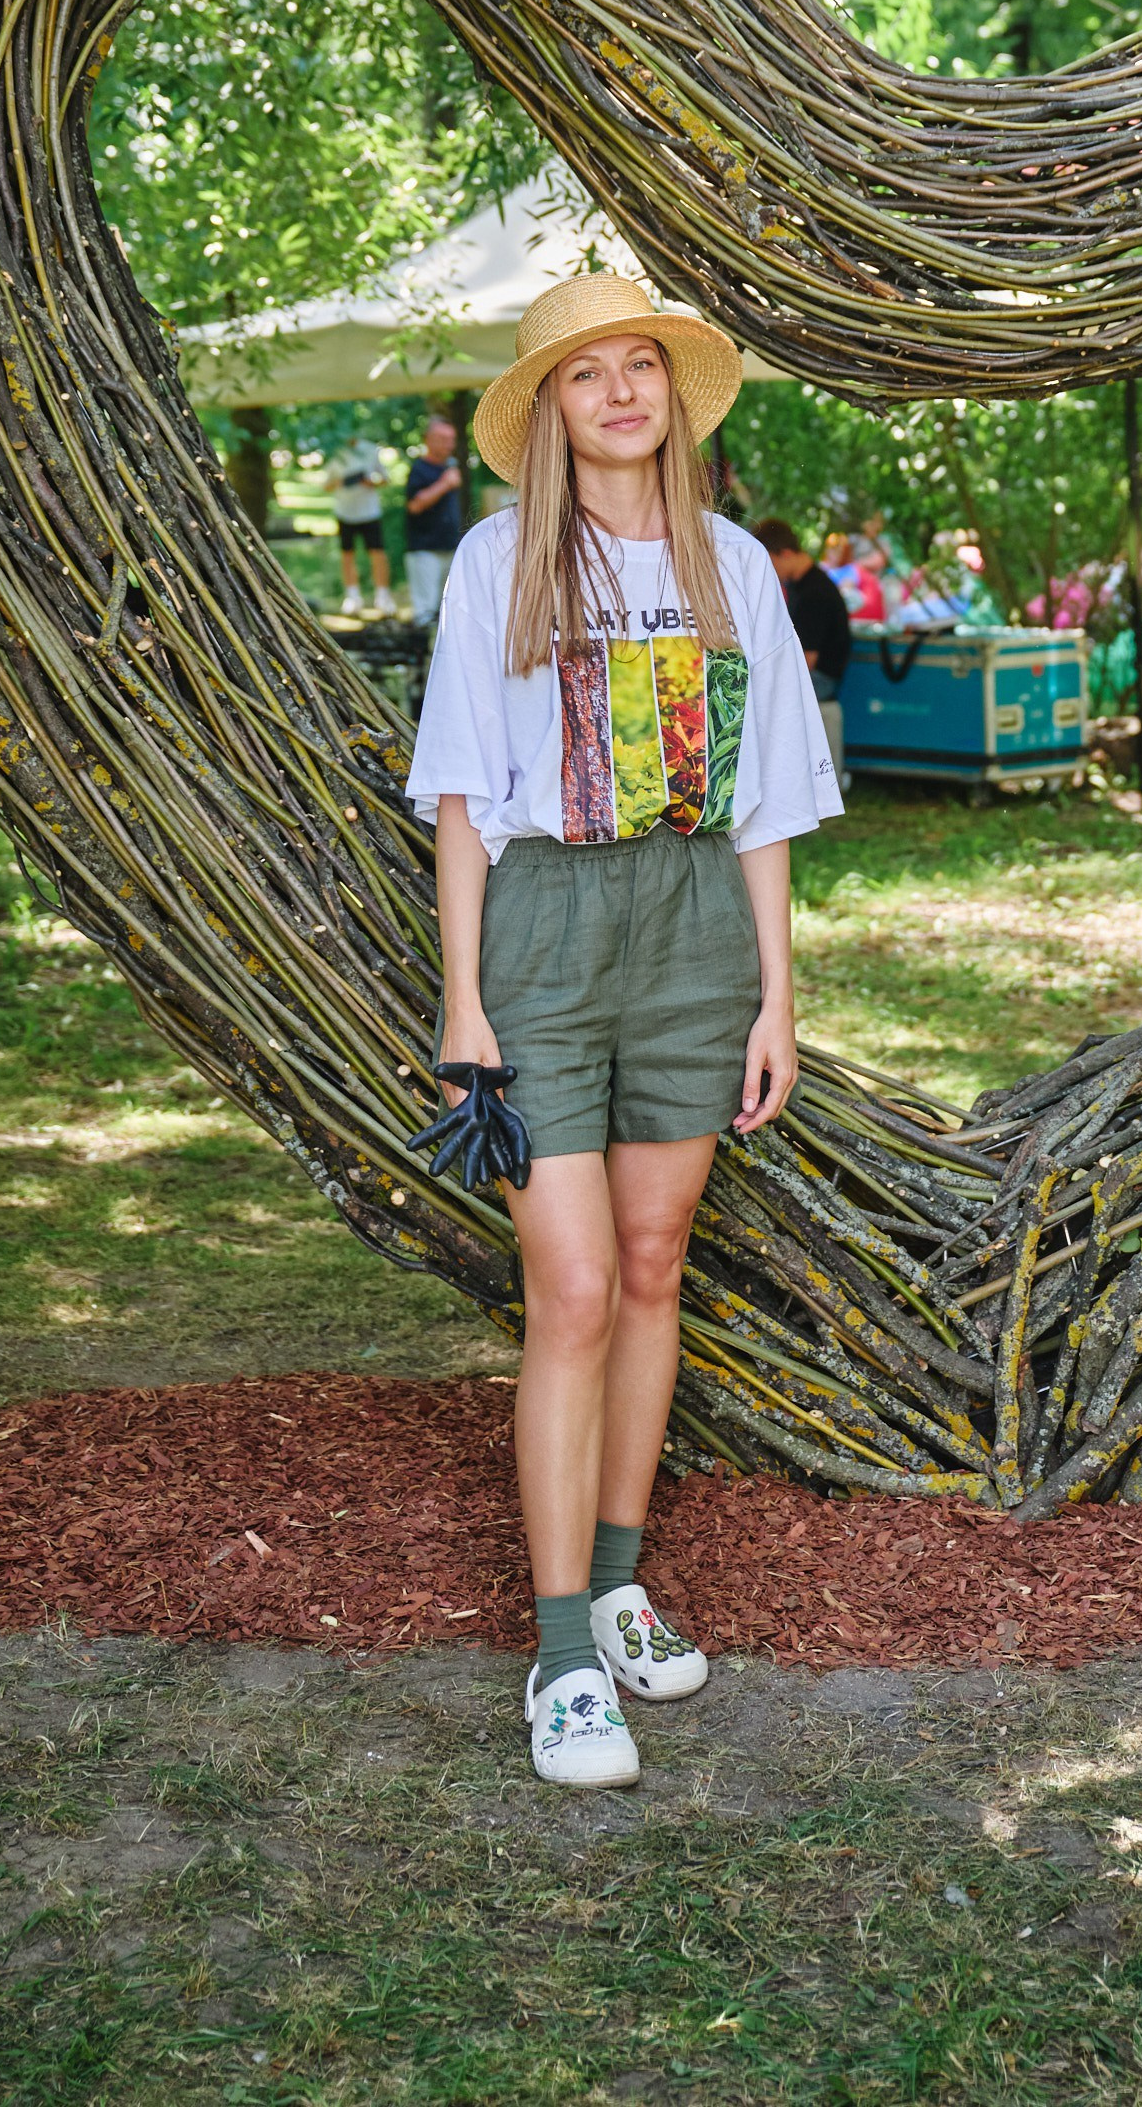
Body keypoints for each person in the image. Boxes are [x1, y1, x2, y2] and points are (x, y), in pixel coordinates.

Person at [405, 273, 842, 1792]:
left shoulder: (730, 564)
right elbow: (464, 799)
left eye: (640, 366)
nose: (619, 392)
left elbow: (771, 799)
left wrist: (776, 994)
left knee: (655, 1267)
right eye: (586, 374)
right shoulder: (498, 562)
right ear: (551, 412)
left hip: (693, 939)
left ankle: (621, 1578)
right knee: (575, 1286)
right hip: (542, 936)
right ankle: (563, 1654)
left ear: (674, 394)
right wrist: (466, 1002)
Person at [754, 519, 853, 793]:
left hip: (821, 678)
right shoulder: (801, 585)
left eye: (770, 562)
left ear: (785, 554)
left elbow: (805, 662)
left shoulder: (814, 593)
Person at [404, 413, 465, 626]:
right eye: (442, 439)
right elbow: (414, 505)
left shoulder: (449, 467)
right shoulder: (420, 469)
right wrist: (444, 485)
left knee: (448, 610)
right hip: (425, 550)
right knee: (426, 611)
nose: (448, 445)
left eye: (451, 439)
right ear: (428, 439)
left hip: (449, 547)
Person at [323, 435, 392, 617]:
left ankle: (383, 597)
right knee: (347, 554)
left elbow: (385, 479)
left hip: (369, 512)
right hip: (345, 513)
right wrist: (339, 482)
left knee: (377, 553)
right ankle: (352, 597)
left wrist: (371, 482)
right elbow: (326, 485)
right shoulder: (335, 452)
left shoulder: (370, 449)